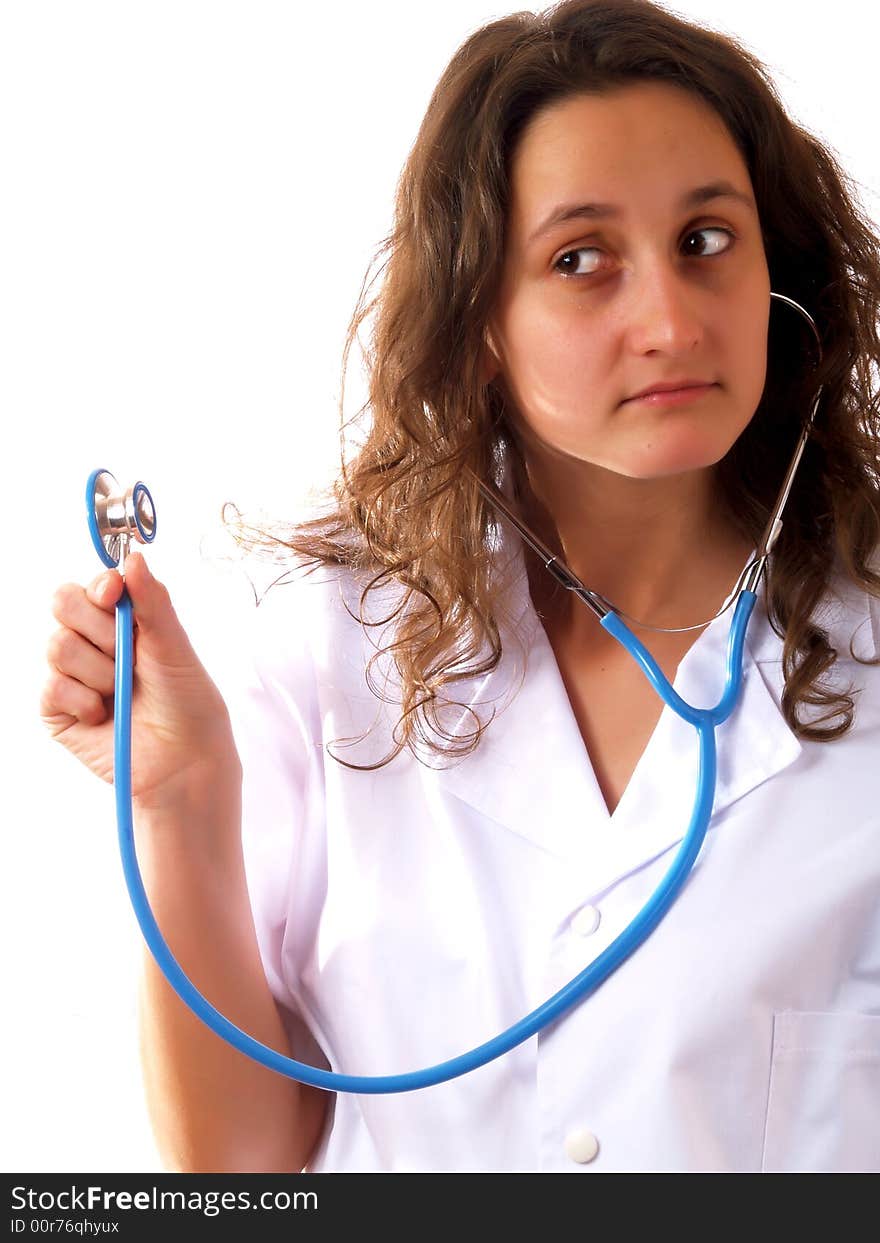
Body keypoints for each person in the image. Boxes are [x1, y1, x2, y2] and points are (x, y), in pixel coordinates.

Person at [41, 0, 880, 1173]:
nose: (669, 320)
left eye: (705, 241)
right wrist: (178, 799)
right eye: (580, 260)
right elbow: (236, 1166)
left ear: (773, 271)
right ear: (478, 314)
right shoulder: (330, 642)